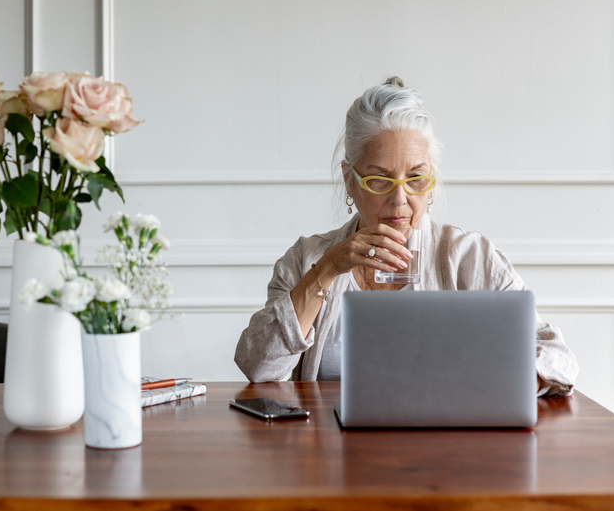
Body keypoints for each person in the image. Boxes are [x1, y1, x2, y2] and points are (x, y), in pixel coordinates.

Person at [234, 77, 578, 397]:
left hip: (442, 454)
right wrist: (328, 269)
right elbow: (259, 367)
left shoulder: (469, 258)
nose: (400, 199)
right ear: (349, 180)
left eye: (415, 179)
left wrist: (495, 386)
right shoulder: (307, 260)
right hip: (330, 454)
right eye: (380, 180)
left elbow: (557, 357)